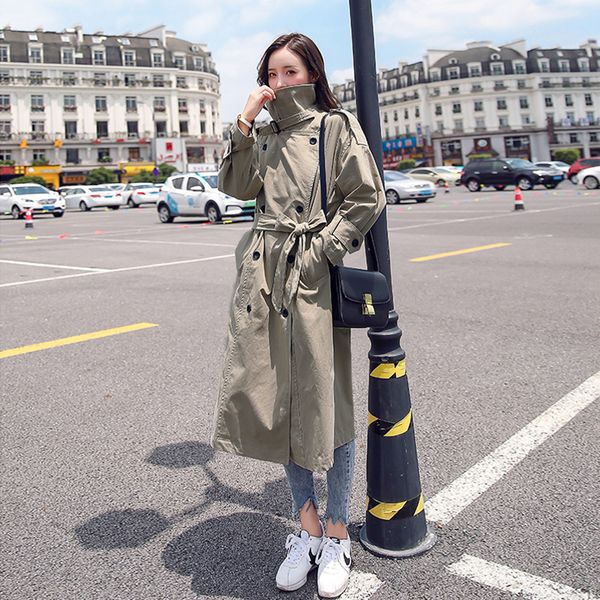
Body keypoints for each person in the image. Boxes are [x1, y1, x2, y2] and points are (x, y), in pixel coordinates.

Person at [212, 32, 385, 598]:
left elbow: (366, 197)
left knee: (327, 404)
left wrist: (319, 255)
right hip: (263, 278)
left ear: (312, 73)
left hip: (309, 278)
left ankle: (337, 533)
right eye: (272, 74)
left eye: (290, 72)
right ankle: (306, 527)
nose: (280, 82)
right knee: (279, 399)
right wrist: (244, 122)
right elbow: (236, 186)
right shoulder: (263, 132)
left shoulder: (335, 126)